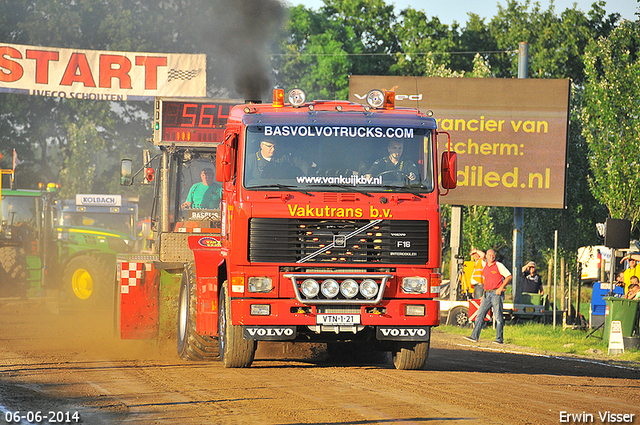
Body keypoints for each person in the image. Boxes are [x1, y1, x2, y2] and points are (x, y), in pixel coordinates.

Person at [464, 249, 512, 344]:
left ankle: (499, 339)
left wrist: (501, 287)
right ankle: (474, 336)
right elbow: (487, 281)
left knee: (498, 317)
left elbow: (509, 276)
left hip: (496, 294)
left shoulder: (498, 265)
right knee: (480, 315)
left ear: (495, 256)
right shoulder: (485, 264)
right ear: (486, 255)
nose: (491, 256)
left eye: (493, 254)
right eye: (489, 254)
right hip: (487, 294)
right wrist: (483, 294)